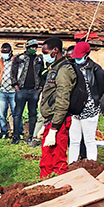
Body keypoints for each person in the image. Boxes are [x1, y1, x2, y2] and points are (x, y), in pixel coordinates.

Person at [39, 37, 76, 178]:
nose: (44, 55)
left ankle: (61, 190)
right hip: (51, 120)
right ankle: (44, 184)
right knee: (46, 158)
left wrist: (54, 129)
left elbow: (62, 100)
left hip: (58, 122)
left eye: (46, 52)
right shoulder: (54, 68)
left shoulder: (64, 70)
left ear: (55, 51)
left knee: (58, 160)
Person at [68, 42, 104, 164]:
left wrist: (93, 102)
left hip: (90, 110)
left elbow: (100, 90)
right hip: (75, 110)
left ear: (87, 54)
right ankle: (72, 164)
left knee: (89, 140)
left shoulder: (96, 69)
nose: (77, 59)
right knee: (74, 140)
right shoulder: (72, 67)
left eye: (80, 57)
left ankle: (92, 164)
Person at [11, 39, 45, 144]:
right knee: (17, 114)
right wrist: (15, 85)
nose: (34, 49)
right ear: (27, 47)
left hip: (34, 90)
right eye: (32, 47)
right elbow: (13, 72)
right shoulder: (19, 58)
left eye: (35, 47)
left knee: (33, 114)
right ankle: (16, 136)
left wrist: (40, 88)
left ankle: (31, 136)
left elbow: (43, 74)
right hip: (21, 89)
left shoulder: (39, 59)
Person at [0, 43, 16, 139]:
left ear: (11, 52)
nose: (4, 54)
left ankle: (16, 132)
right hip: (2, 91)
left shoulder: (16, 62)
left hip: (13, 91)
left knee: (15, 113)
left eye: (6, 52)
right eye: (3, 52)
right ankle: (3, 132)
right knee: (1, 113)